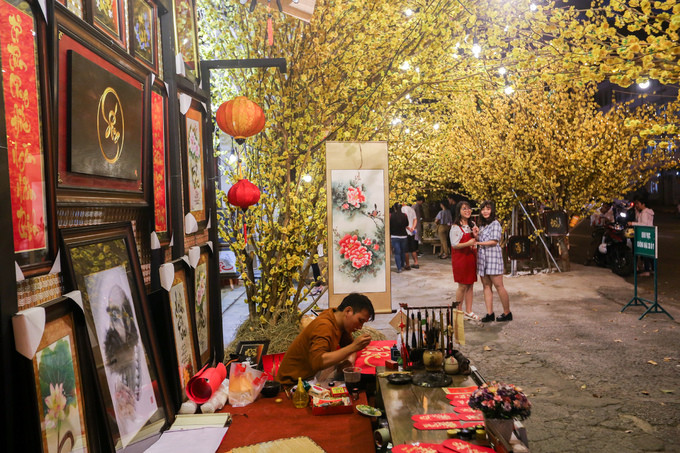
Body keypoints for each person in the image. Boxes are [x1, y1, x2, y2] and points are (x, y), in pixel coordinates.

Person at [275, 293, 374, 386]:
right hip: (293, 385)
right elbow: (318, 362)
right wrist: (353, 347)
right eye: (360, 321)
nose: (360, 327)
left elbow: (349, 347)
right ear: (348, 311)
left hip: (312, 378)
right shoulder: (324, 326)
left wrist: (349, 362)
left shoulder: (339, 319)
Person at [474, 201, 512, 322]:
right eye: (483, 209)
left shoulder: (495, 224)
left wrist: (478, 243)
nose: (485, 211)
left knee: (499, 286)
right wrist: (476, 235)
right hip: (483, 258)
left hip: (493, 258)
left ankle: (507, 312)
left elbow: (494, 241)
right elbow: (481, 239)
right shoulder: (482, 225)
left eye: (488, 209)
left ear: (492, 210)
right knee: (486, 286)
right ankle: (490, 313)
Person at [450, 201, 478, 321]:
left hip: (471, 257)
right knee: (462, 285)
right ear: (459, 211)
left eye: (469, 208)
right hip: (460, 259)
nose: (467, 211)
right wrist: (468, 243)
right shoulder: (455, 227)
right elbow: (454, 244)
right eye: (464, 209)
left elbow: (476, 240)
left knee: (470, 284)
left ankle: (469, 311)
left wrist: (476, 235)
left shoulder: (472, 224)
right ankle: (459, 311)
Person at [629, 197, 655, 276]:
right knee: (649, 252)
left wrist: (632, 223)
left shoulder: (644, 213)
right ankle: (653, 269)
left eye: (638, 203)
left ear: (643, 204)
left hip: (644, 233)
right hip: (649, 234)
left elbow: (644, 224)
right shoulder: (648, 212)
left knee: (645, 252)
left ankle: (647, 270)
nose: (637, 205)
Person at [390, 203, 409, 273]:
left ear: (394, 208)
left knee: (397, 253)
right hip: (404, 236)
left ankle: (399, 268)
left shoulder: (391, 215)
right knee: (403, 252)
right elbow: (407, 224)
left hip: (395, 236)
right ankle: (402, 265)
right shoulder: (404, 215)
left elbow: (389, 225)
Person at [401, 202, 419, 269]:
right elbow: (415, 219)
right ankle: (416, 263)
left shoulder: (402, 209)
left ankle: (407, 265)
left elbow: (403, 221)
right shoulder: (412, 209)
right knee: (413, 248)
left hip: (405, 231)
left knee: (406, 249)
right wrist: (413, 227)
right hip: (412, 231)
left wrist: (408, 227)